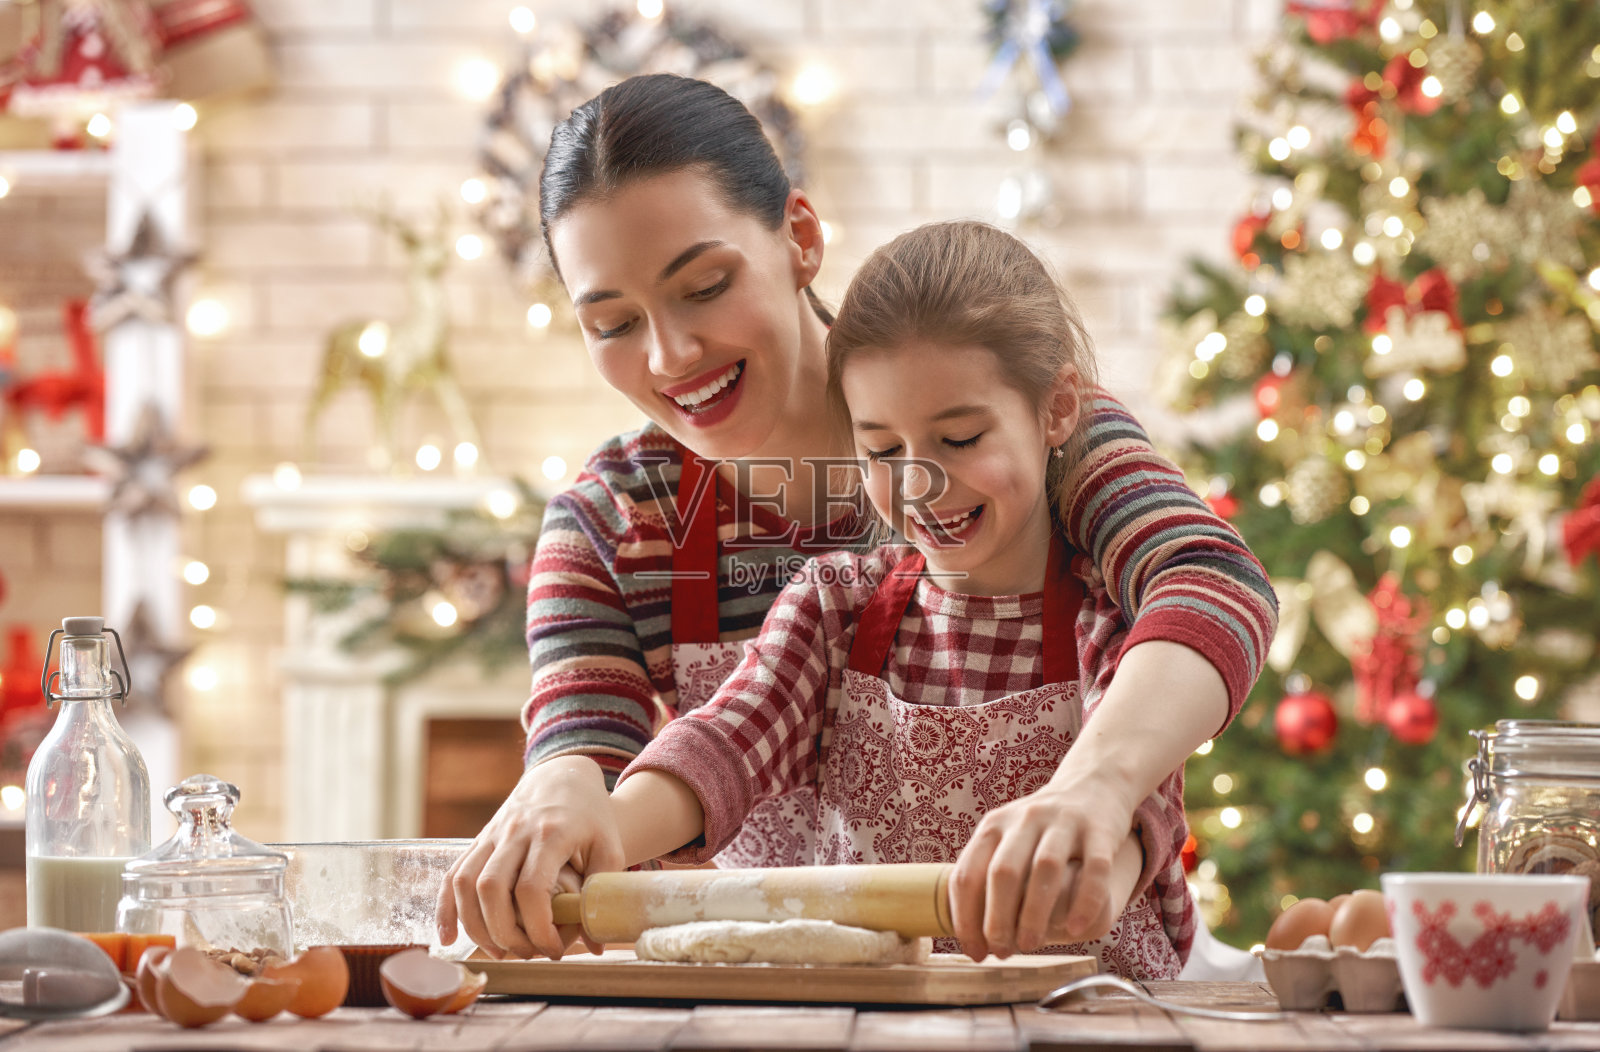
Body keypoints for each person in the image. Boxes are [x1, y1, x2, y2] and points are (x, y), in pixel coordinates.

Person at [434, 74, 1278, 966]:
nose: (670, 355)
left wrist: (1094, 794)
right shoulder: (612, 522)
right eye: (612, 323)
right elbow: (596, 754)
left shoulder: (1010, 416)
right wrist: (558, 790)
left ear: (800, 239)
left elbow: (1210, 583)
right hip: (791, 993)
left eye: (706, 285)